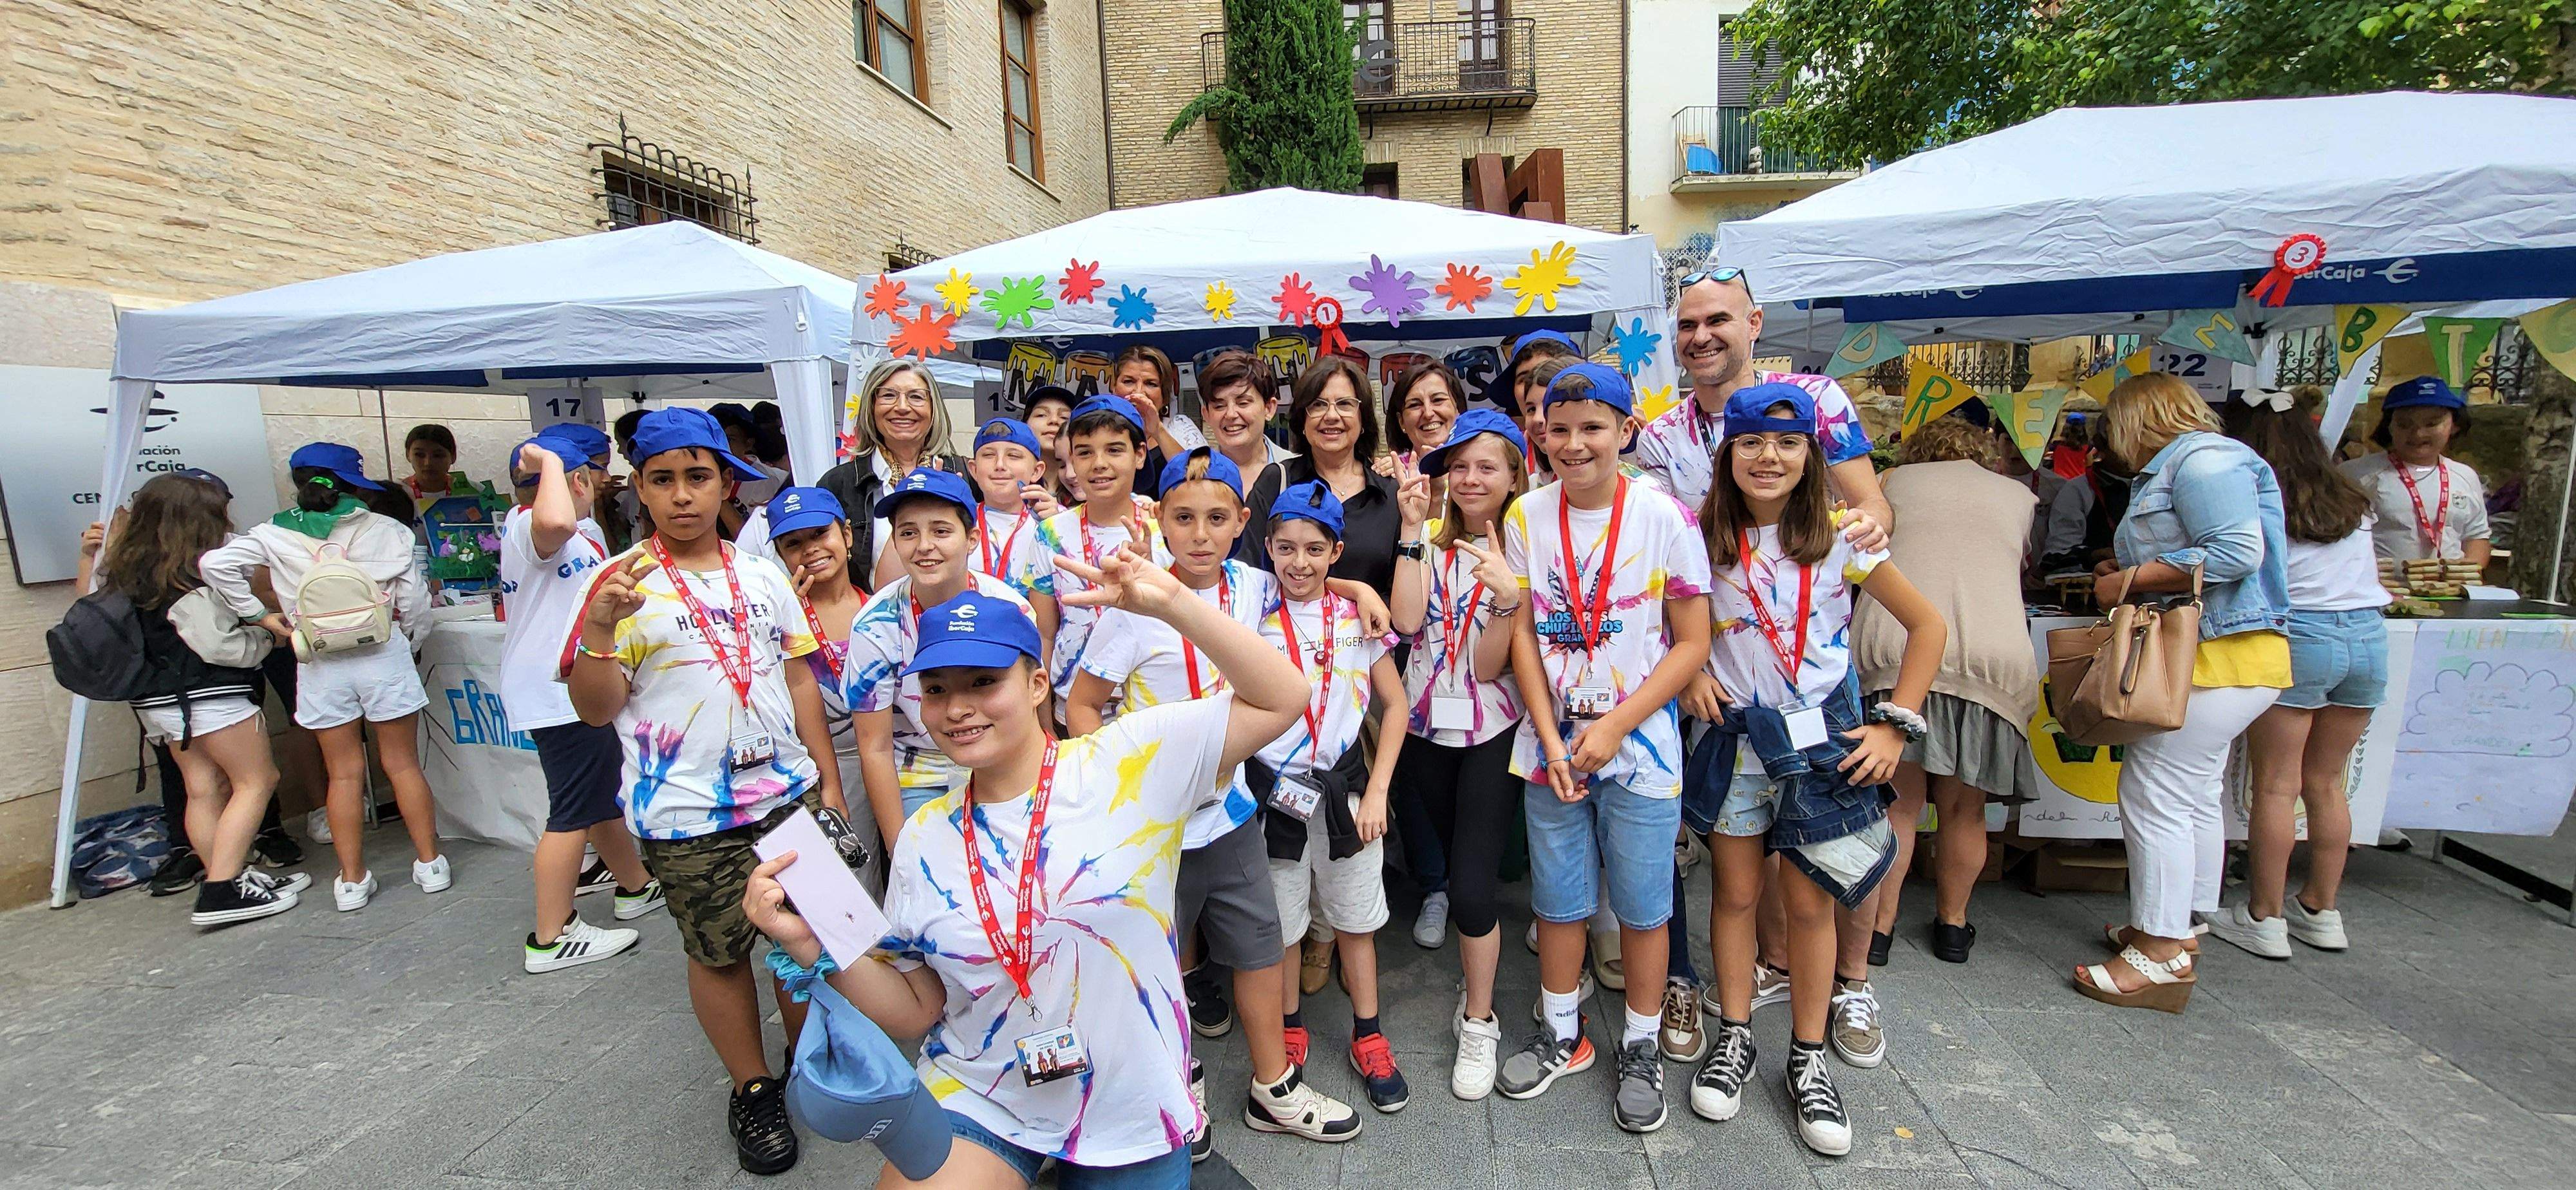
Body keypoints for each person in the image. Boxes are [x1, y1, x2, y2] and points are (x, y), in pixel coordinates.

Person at [741, 561, 1314, 1189]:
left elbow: (1282, 697)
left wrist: (1173, 601)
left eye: (984, 682)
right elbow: (914, 1009)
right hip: (985, 1093)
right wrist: (814, 940)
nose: (957, 709)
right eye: (936, 689)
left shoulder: (1128, 762)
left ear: (1038, 683)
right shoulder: (925, 838)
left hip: (1126, 1105)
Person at [564, 406, 847, 1175]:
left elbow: (798, 677)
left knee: (799, 944)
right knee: (719, 953)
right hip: (686, 813)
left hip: (784, 797)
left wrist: (825, 784)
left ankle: (806, 1058)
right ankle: (751, 1086)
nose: (683, 495)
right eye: (664, 480)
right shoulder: (618, 583)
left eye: (699, 477)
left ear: (728, 483)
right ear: (641, 490)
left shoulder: (762, 575)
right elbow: (594, 709)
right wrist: (598, 630)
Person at [1066, 449, 1356, 1157]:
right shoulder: (1133, 607)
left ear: (1241, 524)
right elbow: (1080, 706)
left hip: (1229, 814)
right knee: (1158, 961)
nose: (1199, 534)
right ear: (1157, 520)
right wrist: (1120, 791)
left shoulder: (1255, 588)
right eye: (1183, 518)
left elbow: (1309, 580)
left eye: (1217, 519)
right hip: (1153, 828)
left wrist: (1359, 589)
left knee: (1259, 948)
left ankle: (1273, 1086)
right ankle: (1178, 1080)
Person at [1680, 381, 1944, 1156]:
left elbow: (1928, 626)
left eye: (1788, 444)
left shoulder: (1842, 537)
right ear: (1726, 454)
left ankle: (1807, 1055)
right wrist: (1691, 671)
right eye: (1752, 443)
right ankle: (1735, 1036)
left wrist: (1896, 725)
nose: (1769, 457)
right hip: (1734, 739)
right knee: (1732, 896)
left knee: (1809, 906)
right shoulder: (1698, 540)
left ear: (1811, 455)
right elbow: (1673, 625)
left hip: (1823, 741)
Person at [1495, 363, 1712, 1133]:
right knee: (1558, 901)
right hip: (1549, 743)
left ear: (1627, 432)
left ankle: (1643, 1045)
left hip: (1641, 743)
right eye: (1559, 429)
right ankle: (1563, 1034)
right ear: (1540, 434)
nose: (1575, 444)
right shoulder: (1524, 515)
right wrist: (1551, 736)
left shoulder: (1665, 517)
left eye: (1593, 428)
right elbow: (1520, 629)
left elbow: (1691, 644)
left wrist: (1617, 725)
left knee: (1644, 910)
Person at [2079, 373, 2291, 1013]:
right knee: (2191, 791)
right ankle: (2177, 925)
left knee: (2155, 792)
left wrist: (2130, 581)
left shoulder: (2203, 461)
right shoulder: (2200, 461)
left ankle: (2161, 951)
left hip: (2213, 655)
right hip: (2228, 655)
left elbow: (2234, 552)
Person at [200, 442, 444, 914]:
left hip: (318, 660)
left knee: (344, 772)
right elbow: (414, 600)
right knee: (402, 764)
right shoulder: (387, 528)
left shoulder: (273, 532)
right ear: (355, 484)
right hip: (382, 651)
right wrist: (410, 640)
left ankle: (351, 880)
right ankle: (430, 864)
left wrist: (260, 615)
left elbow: (213, 565)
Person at [1852, 416, 2041, 967]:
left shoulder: (1890, 486)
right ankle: (1953, 928)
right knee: (1966, 810)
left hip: (1897, 646)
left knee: (1898, 805)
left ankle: (1879, 933)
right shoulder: (2018, 496)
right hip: (1992, 657)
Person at [2203, 389, 2385, 959]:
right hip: (2369, 637)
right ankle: (2322, 909)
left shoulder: (2259, 497)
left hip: (2300, 638)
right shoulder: (2351, 496)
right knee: (2327, 783)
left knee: (2277, 786)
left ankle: (2266, 916)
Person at [1253, 480, 1414, 1116]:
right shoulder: (1251, 614)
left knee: (1355, 920)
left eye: (1315, 549)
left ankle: (1368, 1032)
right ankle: (1290, 1025)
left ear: (1335, 551)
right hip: (1276, 794)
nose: (1299, 562)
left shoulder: (1356, 618)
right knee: (1284, 924)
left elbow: (1394, 706)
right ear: (1266, 547)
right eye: (1285, 547)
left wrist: (1377, 791)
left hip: (1347, 792)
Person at [80, 475, 304, 925]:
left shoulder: (127, 571)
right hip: (210, 694)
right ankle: (222, 890)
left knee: (203, 789)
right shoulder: (191, 576)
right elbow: (220, 646)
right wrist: (266, 638)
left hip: (156, 703)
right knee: (256, 781)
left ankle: (229, 878)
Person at [1385, 409, 1530, 1099]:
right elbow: (1409, 623)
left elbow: (1491, 668)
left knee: (1473, 887)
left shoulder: (1525, 552)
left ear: (1512, 477)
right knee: (1447, 865)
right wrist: (1412, 530)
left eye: (1487, 467)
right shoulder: (1429, 544)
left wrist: (1506, 601)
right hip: (1421, 731)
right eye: (1460, 466)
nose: (1471, 479)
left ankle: (1479, 1019)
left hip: (1492, 733)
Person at [500, 437, 661, 972]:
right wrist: (549, 461)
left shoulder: (585, 533)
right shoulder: (528, 527)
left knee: (596, 794)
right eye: (592, 477)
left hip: (573, 687)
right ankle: (552, 933)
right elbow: (556, 525)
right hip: (556, 695)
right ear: (576, 482)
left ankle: (635, 884)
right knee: (571, 810)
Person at [846, 469, 1035, 847]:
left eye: (941, 531)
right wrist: (900, 848)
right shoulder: (874, 626)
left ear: (972, 539)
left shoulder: (1010, 609)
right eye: (908, 532)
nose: (924, 546)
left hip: (999, 761)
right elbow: (875, 746)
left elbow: (1026, 713)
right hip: (919, 773)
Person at [762, 486, 878, 890]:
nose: (810, 549)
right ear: (779, 554)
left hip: (893, 757)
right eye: (794, 543)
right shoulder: (777, 623)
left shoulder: (881, 607)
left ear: (846, 536)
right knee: (854, 876)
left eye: (819, 534)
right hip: (829, 767)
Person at [1036, 397, 1164, 706]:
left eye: (1114, 450)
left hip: (1150, 704)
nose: (1099, 464)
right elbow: (1044, 633)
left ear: (1140, 455)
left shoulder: (1163, 529)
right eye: (1084, 453)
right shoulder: (1051, 533)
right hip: (1069, 703)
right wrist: (1043, 721)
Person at [1242, 356, 1403, 595]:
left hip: (1372, 630)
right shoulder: (1278, 481)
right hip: (1287, 629)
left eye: (1345, 404)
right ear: (1302, 421)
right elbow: (1248, 574)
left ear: (1364, 418)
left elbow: (1401, 587)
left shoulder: (1390, 492)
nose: (1331, 415)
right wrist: (1355, 592)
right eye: (1318, 404)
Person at [816, 359, 969, 593]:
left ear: (933, 409)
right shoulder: (839, 483)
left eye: (916, 397)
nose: (902, 407)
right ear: (871, 406)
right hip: (872, 620)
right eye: (889, 396)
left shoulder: (964, 473)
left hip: (958, 617)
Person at [2341, 375, 2491, 565]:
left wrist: (2467, 578)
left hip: (2451, 590)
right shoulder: (2355, 475)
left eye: (2432, 424)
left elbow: (2476, 536)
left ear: (2454, 425)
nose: (2418, 434)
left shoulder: (2466, 476)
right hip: (2383, 591)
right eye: (2405, 424)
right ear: (2389, 427)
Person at [962, 418, 1062, 641]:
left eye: (1014, 456)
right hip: (965, 643)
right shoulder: (957, 522)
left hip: (1028, 648)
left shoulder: (1057, 523)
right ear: (973, 469)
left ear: (1037, 471)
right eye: (988, 455)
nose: (1000, 465)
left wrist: (1062, 535)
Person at [1110, 344, 1203, 485]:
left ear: (1165, 396)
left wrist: (1158, 431)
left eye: (1151, 384)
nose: (1139, 392)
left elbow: (1200, 483)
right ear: (1114, 388)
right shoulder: (1099, 429)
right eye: (1129, 382)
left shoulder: (1179, 428)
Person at [1198, 349, 1296, 477]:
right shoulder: (1192, 479)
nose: (1231, 414)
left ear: (1269, 408)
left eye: (1243, 403)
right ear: (1206, 415)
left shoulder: (1298, 474)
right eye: (1220, 406)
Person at [1377, 360, 1463, 480]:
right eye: (1414, 405)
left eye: (1438, 400)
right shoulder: (1393, 477)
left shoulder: (1482, 467)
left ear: (1458, 408)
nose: (1428, 413)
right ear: (1401, 421)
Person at [1021, 384, 1078, 504]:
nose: (1054, 421)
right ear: (1025, 424)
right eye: (1041, 415)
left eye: (1064, 417)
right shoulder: (1011, 478)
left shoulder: (1088, 483)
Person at [400, 422, 473, 506]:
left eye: (438, 456)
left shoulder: (476, 492)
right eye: (419, 455)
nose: (428, 463)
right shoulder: (395, 495)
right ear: (408, 455)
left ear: (453, 457)